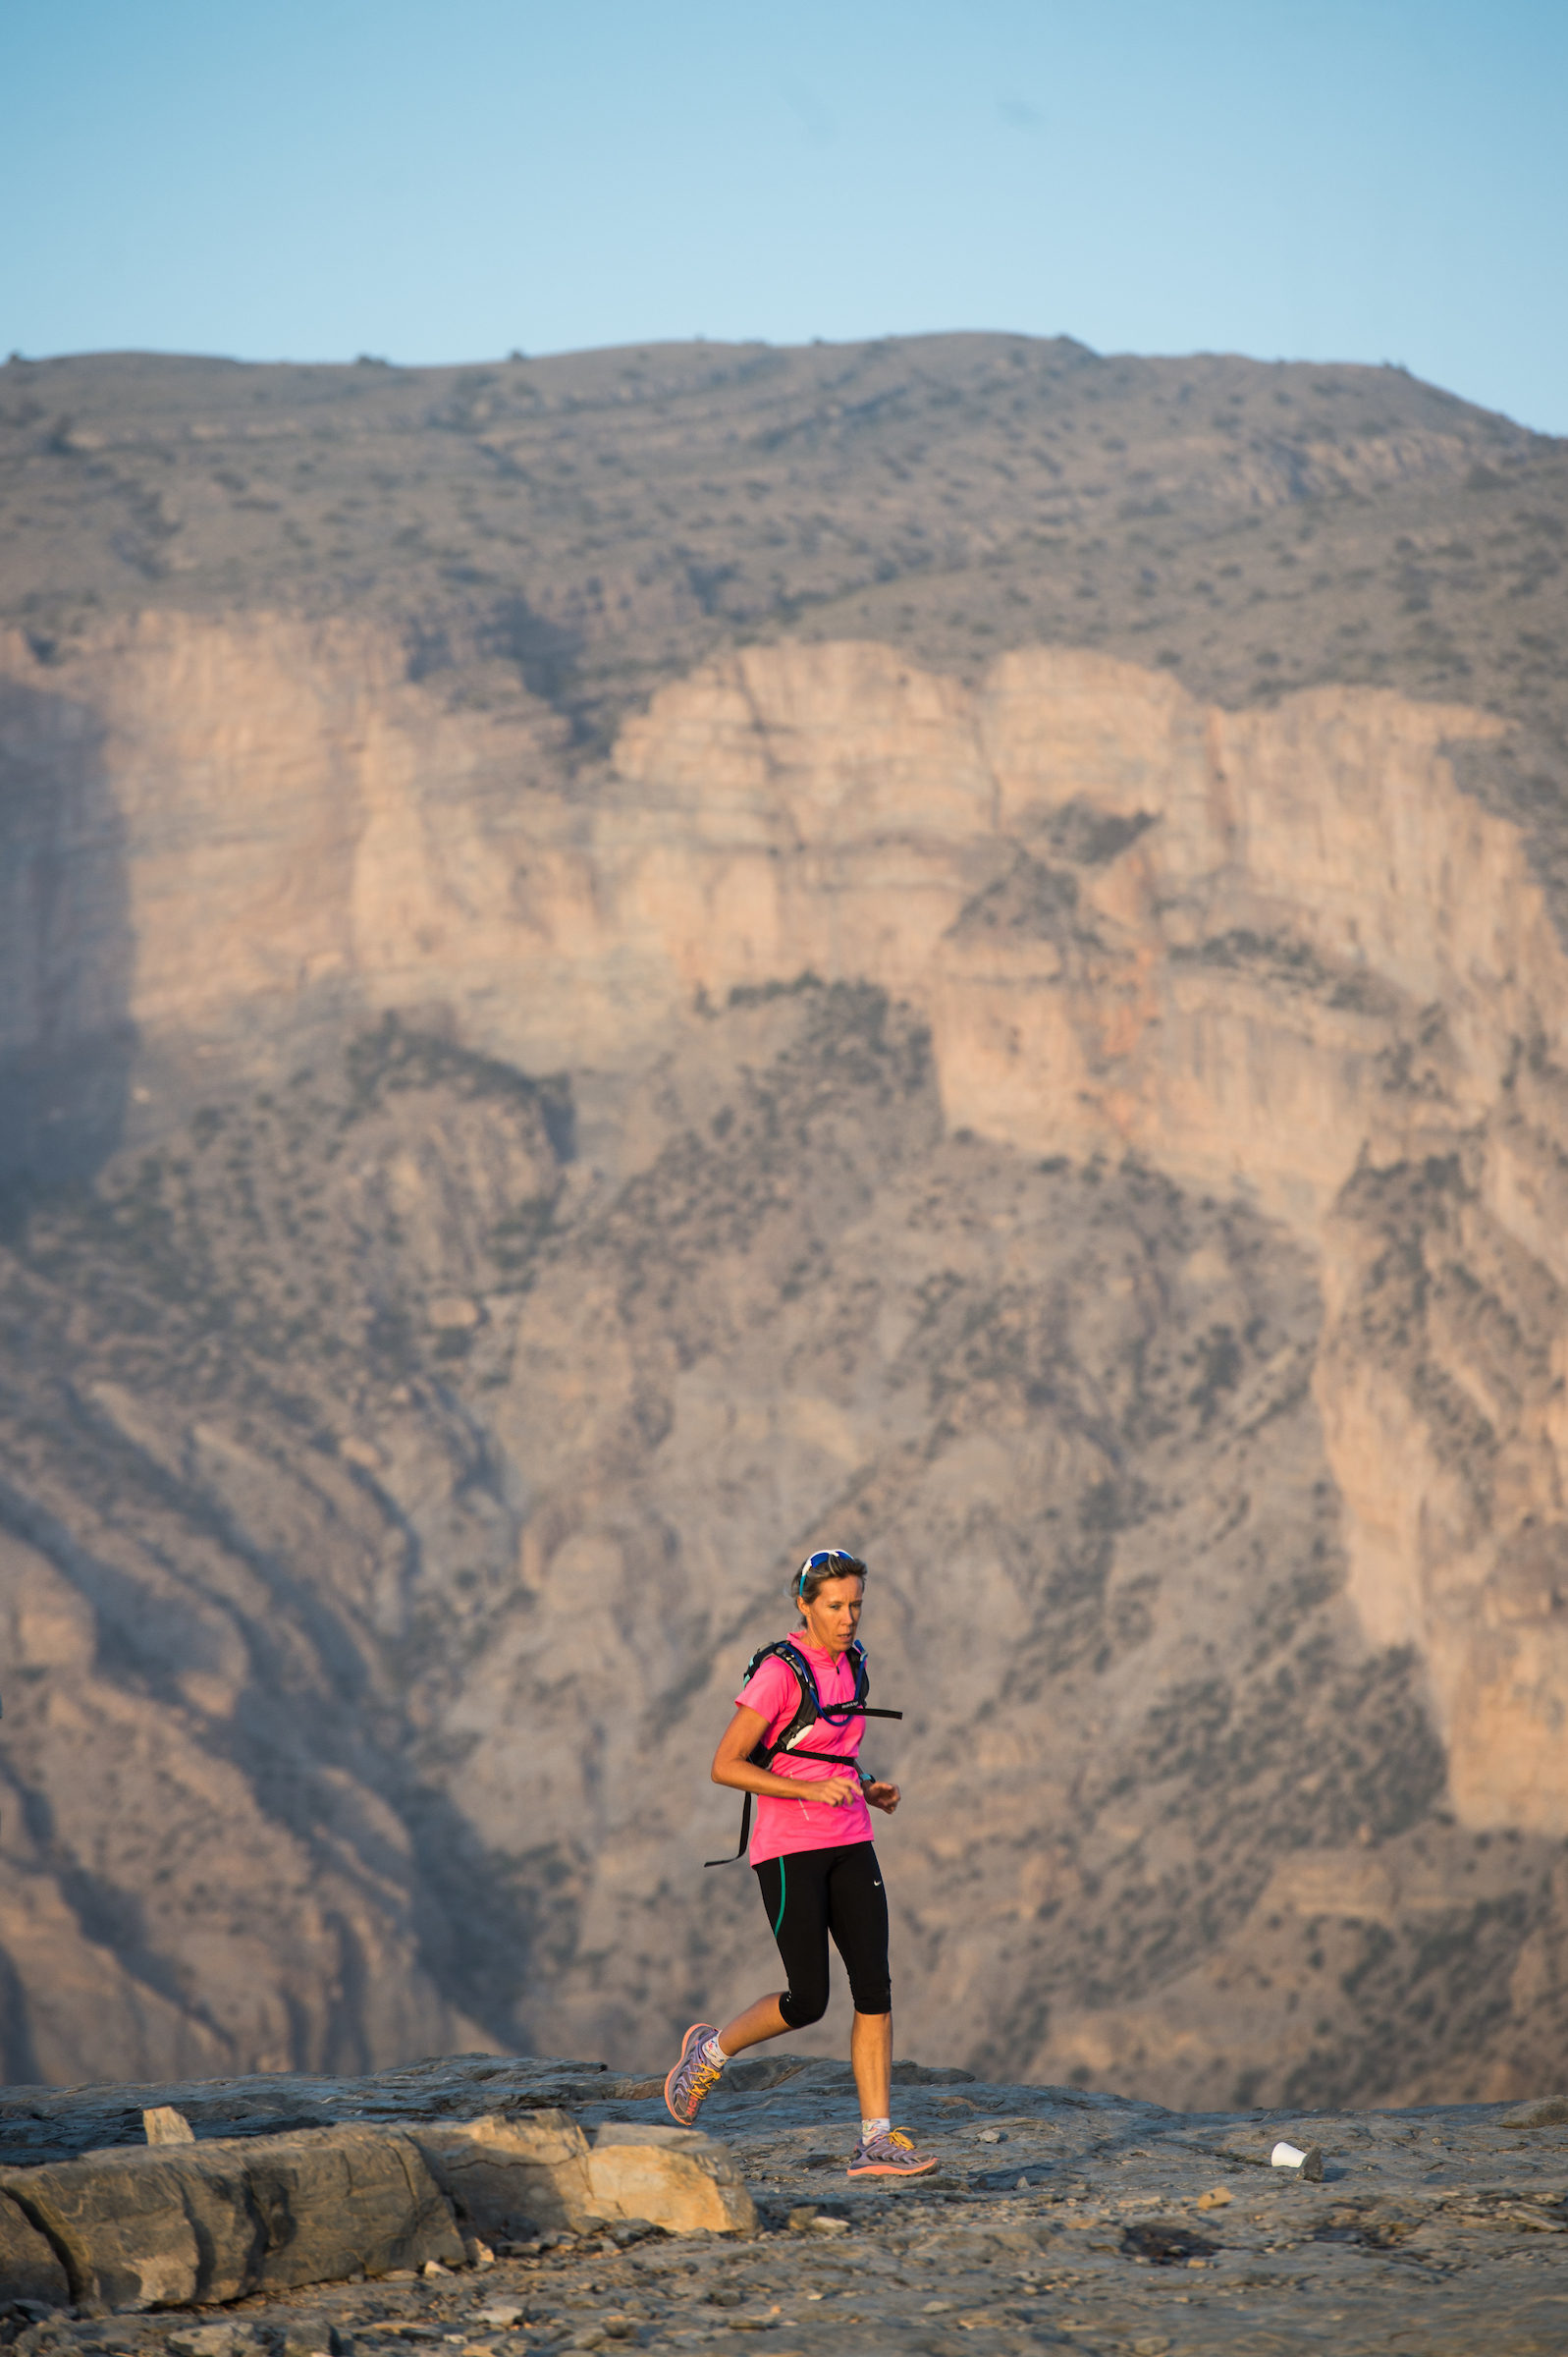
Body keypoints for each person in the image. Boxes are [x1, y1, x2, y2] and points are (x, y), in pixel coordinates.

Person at [663, 1547, 938, 2178]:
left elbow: (827, 1750)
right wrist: (808, 1792)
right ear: (805, 1606)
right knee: (808, 1998)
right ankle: (710, 2053)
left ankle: (876, 2140)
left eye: (856, 1605)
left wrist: (866, 1786)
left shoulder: (855, 1662)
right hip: (789, 1851)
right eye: (835, 1606)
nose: (848, 1618)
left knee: (874, 1987)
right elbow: (725, 1765)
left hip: (851, 1837)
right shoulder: (779, 1674)